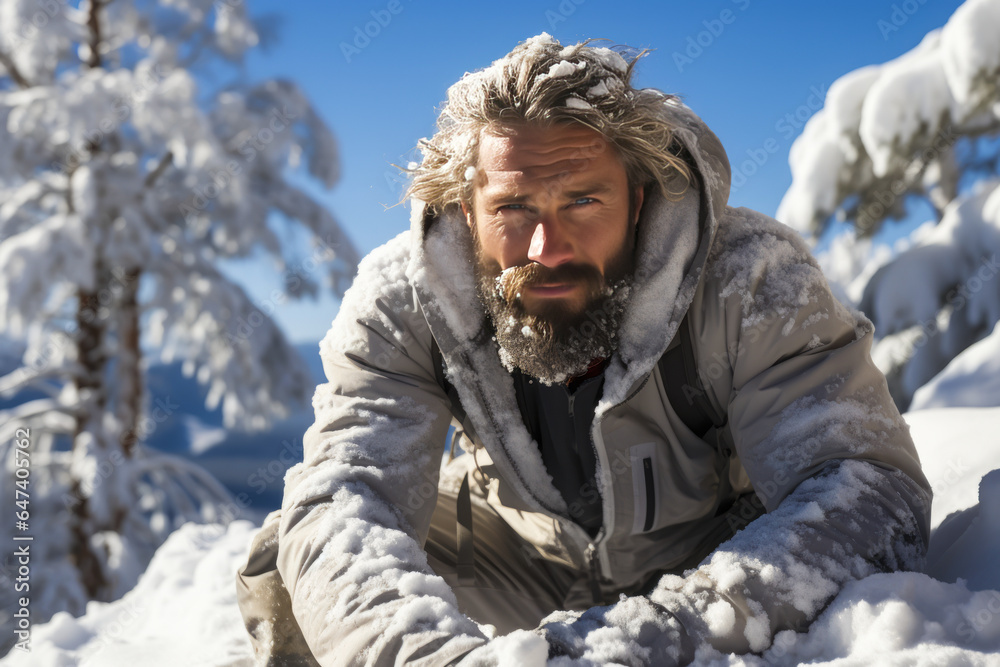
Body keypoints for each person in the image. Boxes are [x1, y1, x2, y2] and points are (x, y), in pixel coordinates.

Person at [236, 34, 931, 666]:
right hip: (515, 557)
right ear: (465, 210)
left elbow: (868, 488)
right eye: (513, 208)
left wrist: (636, 642)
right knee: (296, 558)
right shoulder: (406, 300)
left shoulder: (749, 280)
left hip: (705, 554)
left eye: (582, 201)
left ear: (637, 198)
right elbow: (348, 495)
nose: (548, 248)